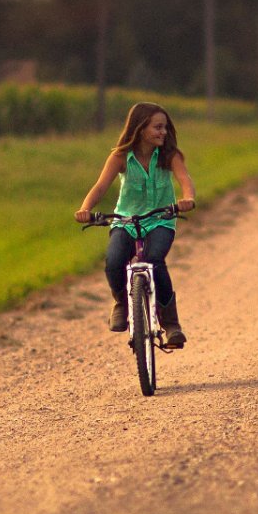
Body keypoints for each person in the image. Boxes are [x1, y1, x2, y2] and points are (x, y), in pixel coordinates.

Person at [75, 102, 197, 348]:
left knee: (154, 260)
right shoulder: (120, 157)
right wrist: (86, 209)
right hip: (126, 220)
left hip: (161, 220)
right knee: (114, 261)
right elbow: (100, 186)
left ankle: (171, 324)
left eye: (165, 127)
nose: (163, 132)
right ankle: (121, 303)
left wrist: (187, 199)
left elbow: (185, 179)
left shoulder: (169, 155)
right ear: (140, 129)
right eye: (157, 127)